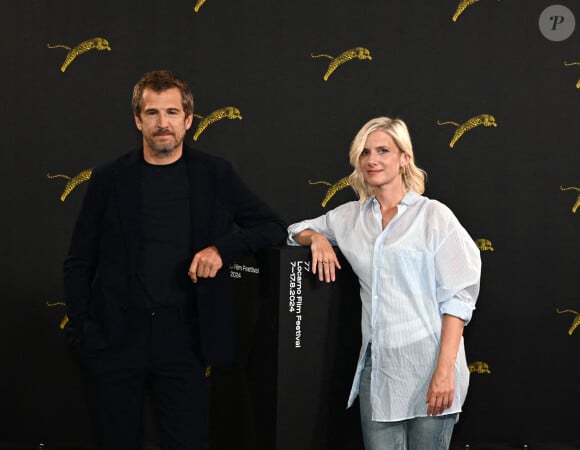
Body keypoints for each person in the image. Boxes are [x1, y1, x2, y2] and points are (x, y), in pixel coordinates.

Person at [63, 69, 287, 450]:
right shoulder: (108, 179)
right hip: (117, 336)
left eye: (171, 112)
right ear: (138, 120)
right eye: (152, 113)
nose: (162, 123)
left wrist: (221, 249)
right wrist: (83, 330)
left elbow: (272, 227)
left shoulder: (215, 174)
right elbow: (79, 260)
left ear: (188, 120)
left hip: (186, 337)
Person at [287, 116, 481, 450]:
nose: (372, 159)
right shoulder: (349, 217)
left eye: (383, 150)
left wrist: (444, 371)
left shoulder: (434, 216)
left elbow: (459, 298)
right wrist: (316, 239)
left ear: (405, 158)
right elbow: (293, 230)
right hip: (379, 371)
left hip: (431, 363)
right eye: (364, 153)